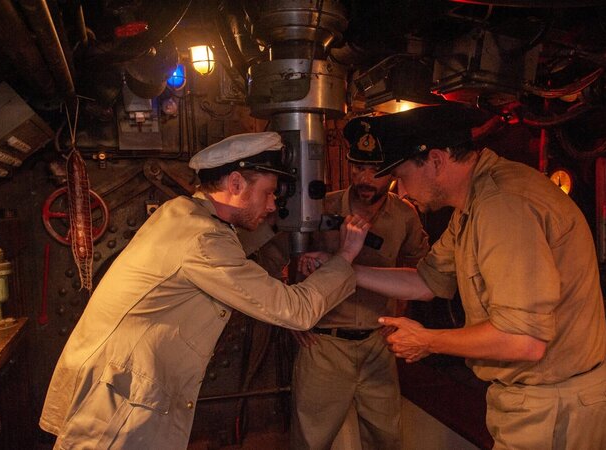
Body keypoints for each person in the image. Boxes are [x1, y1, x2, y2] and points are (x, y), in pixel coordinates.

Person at [305, 104, 606, 449]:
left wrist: (427, 340)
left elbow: (524, 341)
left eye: (404, 176)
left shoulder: (501, 206)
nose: (403, 191)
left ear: (437, 161)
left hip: (556, 405)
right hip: (537, 399)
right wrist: (341, 269)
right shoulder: (474, 204)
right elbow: (426, 282)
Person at [39, 131, 371, 449]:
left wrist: (278, 260)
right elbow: (296, 312)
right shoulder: (203, 238)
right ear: (236, 183)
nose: (272, 205)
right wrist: (345, 256)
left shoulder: (184, 214)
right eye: (269, 192)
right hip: (116, 403)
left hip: (119, 388)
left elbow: (235, 274)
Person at [290, 118, 429, 450]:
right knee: (312, 439)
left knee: (385, 436)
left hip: (377, 345)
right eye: (359, 167)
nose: (366, 179)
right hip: (323, 345)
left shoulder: (405, 216)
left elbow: (424, 268)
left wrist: (402, 311)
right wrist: (287, 315)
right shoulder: (319, 208)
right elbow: (281, 260)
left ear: (394, 171)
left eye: (377, 169)